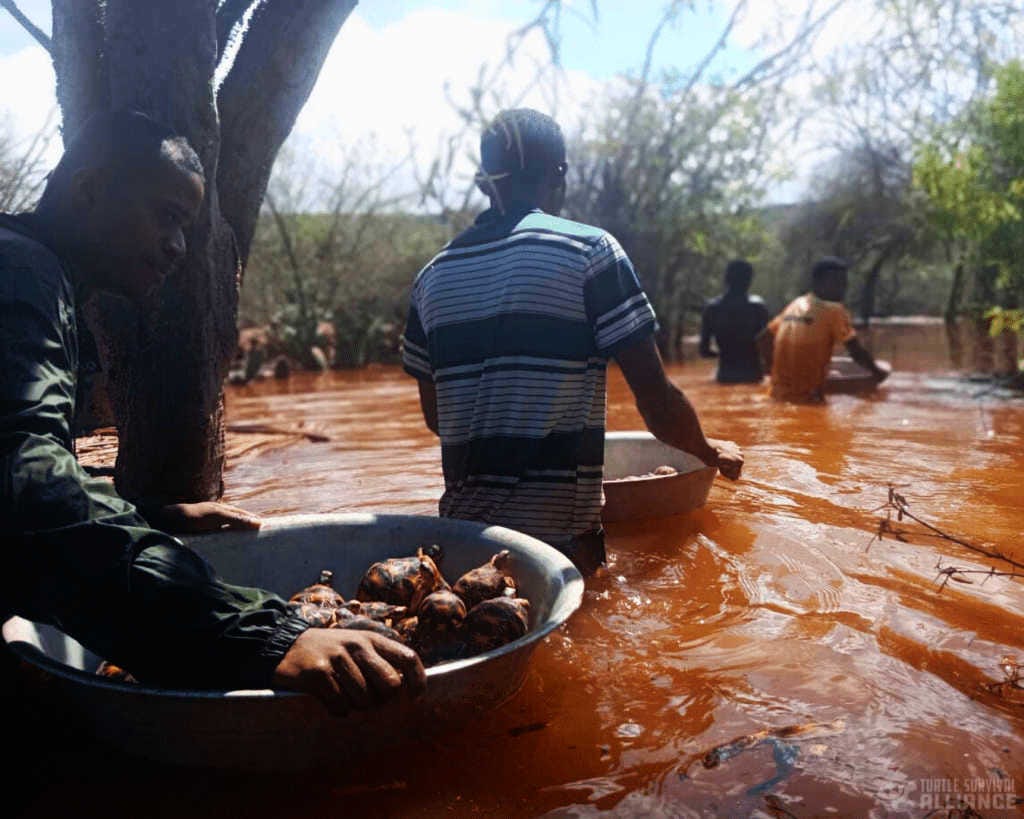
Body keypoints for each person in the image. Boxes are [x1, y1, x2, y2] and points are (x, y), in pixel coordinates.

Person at [0, 111, 425, 716]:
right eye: (167, 216)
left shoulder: (36, 274)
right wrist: (263, 635)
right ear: (91, 189)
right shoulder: (22, 276)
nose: (177, 245)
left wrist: (150, 515)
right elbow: (28, 486)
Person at [401, 108, 743, 574]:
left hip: (461, 547)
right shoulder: (590, 252)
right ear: (559, 172)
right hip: (560, 547)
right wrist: (707, 451)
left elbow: (439, 418)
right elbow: (657, 402)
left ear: (486, 179)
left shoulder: (431, 278)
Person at [757, 256, 889, 402]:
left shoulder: (795, 304)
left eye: (844, 284)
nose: (842, 289)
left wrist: (774, 371)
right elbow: (855, 351)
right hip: (808, 400)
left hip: (775, 397)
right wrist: (877, 373)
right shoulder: (834, 310)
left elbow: (763, 340)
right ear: (817, 283)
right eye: (836, 283)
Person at [699, 259, 771, 383]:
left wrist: (724, 354)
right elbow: (767, 347)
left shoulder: (712, 308)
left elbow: (704, 351)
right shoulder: (758, 307)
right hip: (753, 375)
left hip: (725, 375)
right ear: (749, 281)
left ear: (726, 279)